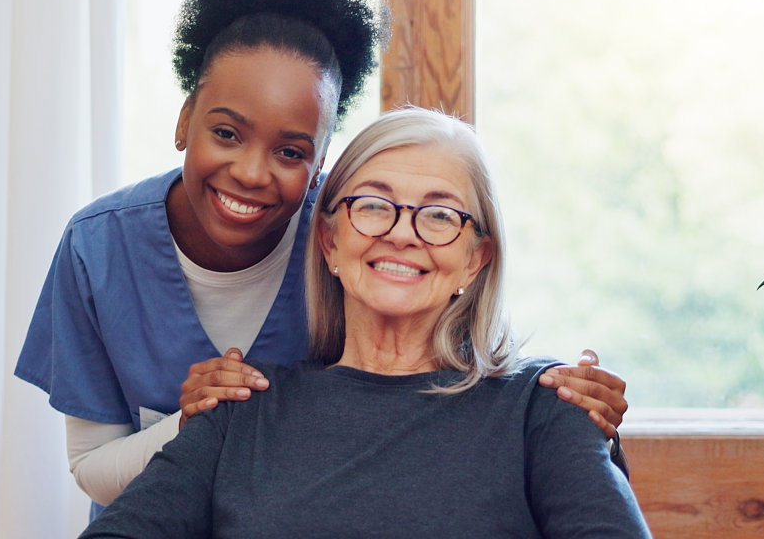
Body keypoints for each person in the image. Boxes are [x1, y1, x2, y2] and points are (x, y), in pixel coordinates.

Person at [13, 0, 632, 512]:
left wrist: (557, 397)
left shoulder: (360, 233)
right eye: (226, 133)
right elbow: (91, 466)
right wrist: (194, 421)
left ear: (321, 165)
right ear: (184, 120)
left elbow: (439, 354)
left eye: (291, 151)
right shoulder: (98, 249)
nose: (252, 172)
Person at [80, 107, 652, 538]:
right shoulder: (240, 409)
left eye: (439, 214)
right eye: (373, 205)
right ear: (330, 241)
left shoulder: (545, 408)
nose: (401, 232)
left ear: (476, 260)